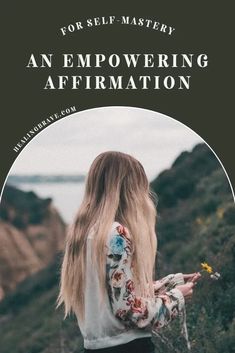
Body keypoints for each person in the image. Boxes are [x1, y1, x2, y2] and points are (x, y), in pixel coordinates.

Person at [57, 151, 201, 353]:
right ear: (128, 189)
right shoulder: (117, 234)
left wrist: (170, 282)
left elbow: (115, 294)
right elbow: (130, 312)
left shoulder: (85, 232)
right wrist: (177, 297)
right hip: (128, 347)